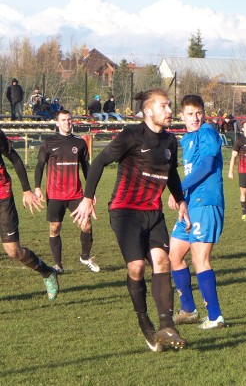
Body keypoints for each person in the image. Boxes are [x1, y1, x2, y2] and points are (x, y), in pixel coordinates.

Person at [71, 88, 191, 352]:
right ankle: (144, 321)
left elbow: (171, 175)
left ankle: (166, 324)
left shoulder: (171, 142)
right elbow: (100, 161)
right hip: (124, 211)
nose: (170, 111)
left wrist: (180, 199)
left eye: (170, 106)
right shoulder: (131, 136)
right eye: (164, 106)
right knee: (136, 267)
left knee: (162, 261)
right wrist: (88, 198)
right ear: (148, 111)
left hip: (153, 212)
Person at [169, 95, 226, 329]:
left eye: (199, 113)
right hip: (190, 204)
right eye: (190, 113)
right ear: (181, 115)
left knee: (199, 258)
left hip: (206, 203)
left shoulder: (207, 132)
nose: (195, 118)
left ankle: (215, 316)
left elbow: (207, 165)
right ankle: (189, 310)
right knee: (174, 255)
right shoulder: (186, 139)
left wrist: (178, 189)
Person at [34, 110, 100, 275]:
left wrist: (90, 193)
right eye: (63, 120)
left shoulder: (80, 143)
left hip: (76, 194)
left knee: (86, 225)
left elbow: (87, 168)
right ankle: (58, 265)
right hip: (55, 194)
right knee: (55, 227)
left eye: (69, 120)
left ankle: (85, 257)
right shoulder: (49, 142)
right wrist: (37, 187)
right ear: (57, 123)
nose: (67, 122)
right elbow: (40, 166)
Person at [0, 128, 59, 300]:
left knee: (13, 251)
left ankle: (47, 272)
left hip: (3, 197)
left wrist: (27, 190)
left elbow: (15, 159)